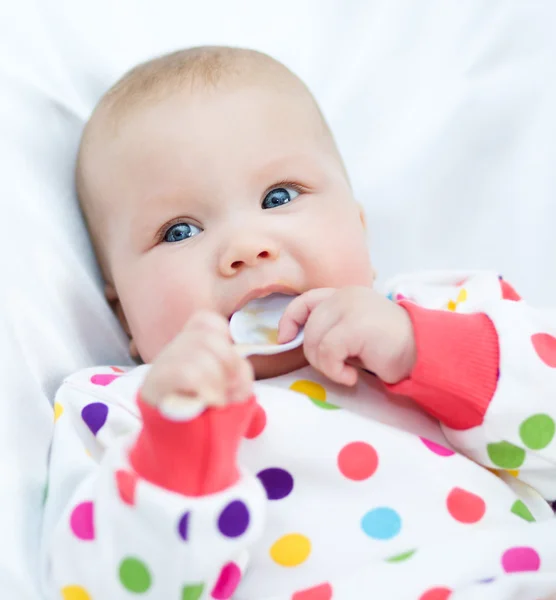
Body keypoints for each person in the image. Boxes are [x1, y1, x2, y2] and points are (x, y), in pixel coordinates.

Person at [43, 46, 556, 600]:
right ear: (126, 316)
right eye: (179, 232)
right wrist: (176, 451)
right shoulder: (121, 409)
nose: (245, 247)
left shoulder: (448, 311)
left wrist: (422, 351)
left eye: (278, 196)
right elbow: (94, 587)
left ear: (359, 227)